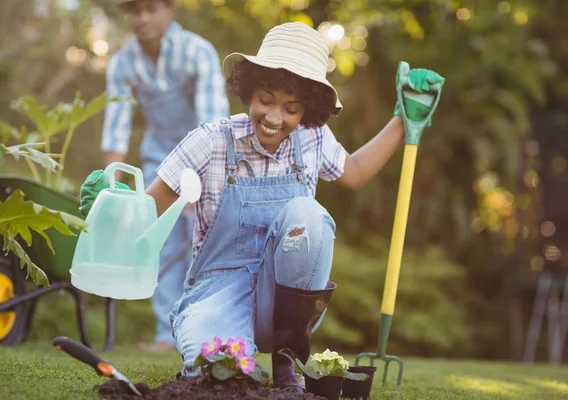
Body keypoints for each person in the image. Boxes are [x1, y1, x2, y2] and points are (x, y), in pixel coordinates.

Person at [82, 22, 443, 392]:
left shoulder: (313, 139)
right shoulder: (211, 140)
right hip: (217, 292)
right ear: (249, 89)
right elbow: (149, 208)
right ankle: (231, 350)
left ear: (308, 111)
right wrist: (109, 205)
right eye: (265, 100)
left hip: (284, 301)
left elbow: (355, 172)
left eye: (291, 108)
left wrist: (404, 120)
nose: (274, 117)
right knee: (215, 369)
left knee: (309, 214)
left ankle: (290, 361)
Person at [98, 0, 230, 352]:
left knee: (204, 238)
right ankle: (166, 333)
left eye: (150, 10)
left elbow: (213, 124)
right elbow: (117, 125)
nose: (142, 19)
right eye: (135, 11)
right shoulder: (123, 61)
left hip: (206, 157)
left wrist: (195, 184)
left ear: (169, 10)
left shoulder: (197, 51)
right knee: (160, 240)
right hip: (159, 158)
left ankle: (207, 330)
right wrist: (111, 186)